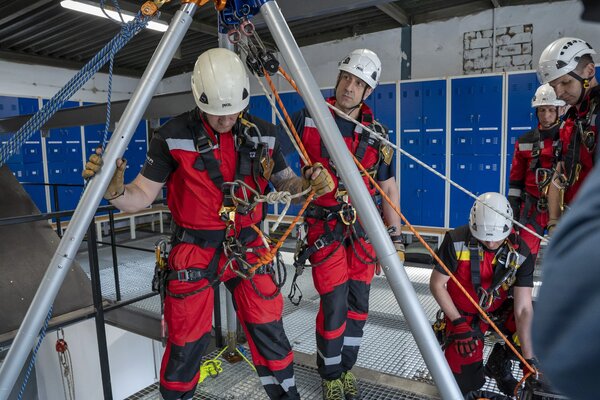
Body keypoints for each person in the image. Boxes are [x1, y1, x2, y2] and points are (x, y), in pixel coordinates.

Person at [83, 48, 334, 400]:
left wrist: (308, 182)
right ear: (199, 99)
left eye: (232, 111)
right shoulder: (172, 136)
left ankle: (286, 395)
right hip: (194, 250)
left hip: (248, 246)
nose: (226, 119)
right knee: (186, 342)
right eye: (217, 113)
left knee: (269, 331)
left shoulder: (264, 134)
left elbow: (286, 184)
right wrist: (114, 191)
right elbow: (139, 195)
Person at [285, 48, 403, 400]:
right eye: (346, 78)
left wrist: (395, 240)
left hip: (364, 233)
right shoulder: (310, 118)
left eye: (358, 83)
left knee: (358, 305)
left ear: (369, 92)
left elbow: (389, 187)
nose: (349, 87)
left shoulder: (377, 134)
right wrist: (301, 178)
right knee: (334, 304)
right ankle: (330, 372)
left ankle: (346, 366)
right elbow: (274, 159)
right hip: (326, 229)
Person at [429, 192, 536, 397]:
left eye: (497, 240)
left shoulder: (521, 252)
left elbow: (523, 309)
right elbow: (437, 284)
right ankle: (469, 361)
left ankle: (500, 362)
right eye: (486, 240)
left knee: (537, 325)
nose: (491, 244)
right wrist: (457, 322)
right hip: (463, 317)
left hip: (498, 313)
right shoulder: (456, 240)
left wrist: (528, 361)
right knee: (465, 385)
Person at [537, 37, 599, 233]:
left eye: (565, 82)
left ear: (589, 71)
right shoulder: (570, 121)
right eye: (554, 85)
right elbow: (559, 172)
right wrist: (554, 220)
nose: (559, 92)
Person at [507, 84, 565, 257]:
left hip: (561, 208)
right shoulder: (524, 141)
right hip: (532, 208)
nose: (546, 116)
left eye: (550, 110)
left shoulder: (569, 138)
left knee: (564, 258)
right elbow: (515, 180)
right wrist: (513, 210)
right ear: (536, 112)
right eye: (541, 110)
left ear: (559, 110)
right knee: (523, 255)